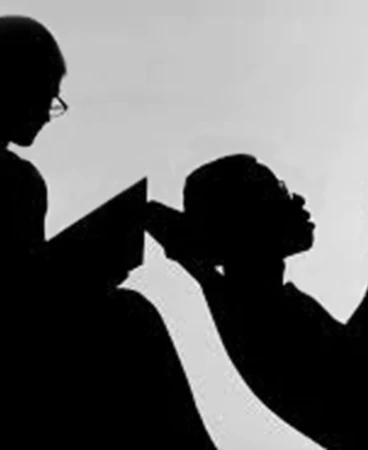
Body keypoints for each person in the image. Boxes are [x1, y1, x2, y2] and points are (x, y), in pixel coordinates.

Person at [0, 15, 215, 448]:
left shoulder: (22, 182)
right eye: (45, 92)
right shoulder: (17, 184)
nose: (49, 111)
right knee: (129, 317)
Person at [147, 153, 368, 448]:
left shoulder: (240, 299)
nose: (298, 199)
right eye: (278, 191)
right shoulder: (259, 312)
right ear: (247, 220)